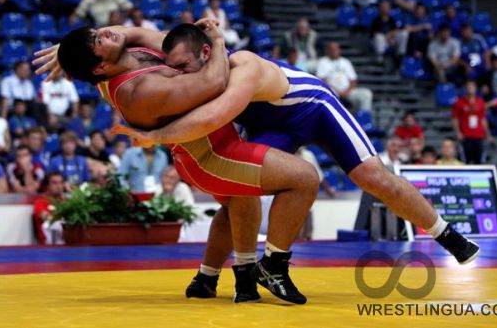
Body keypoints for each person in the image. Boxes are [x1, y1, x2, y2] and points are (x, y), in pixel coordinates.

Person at [109, 24, 480, 276]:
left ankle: (447, 234)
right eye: (173, 68)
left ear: (207, 52)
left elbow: (210, 119)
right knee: (242, 189)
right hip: (269, 124)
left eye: (184, 67)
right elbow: (137, 34)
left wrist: (155, 137)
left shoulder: (241, 68)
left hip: (313, 108)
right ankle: (243, 269)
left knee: (373, 176)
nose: (179, 76)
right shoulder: (187, 56)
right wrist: (79, 46)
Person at [39, 20, 320, 305]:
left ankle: (209, 279)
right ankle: (272, 268)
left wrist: (70, 48)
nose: (107, 33)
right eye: (98, 41)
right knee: (305, 178)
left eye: (96, 32)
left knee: (240, 199)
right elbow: (215, 82)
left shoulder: (121, 54)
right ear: (99, 68)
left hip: (214, 144)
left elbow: (136, 33)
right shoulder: (137, 92)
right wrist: (218, 41)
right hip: (210, 157)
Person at [316, 41, 373, 112]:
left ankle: (364, 121)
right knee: (330, 94)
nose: (334, 51)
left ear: (339, 50)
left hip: (347, 91)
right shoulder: (322, 62)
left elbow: (353, 80)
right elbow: (322, 80)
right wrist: (338, 91)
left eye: (336, 49)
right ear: (327, 51)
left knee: (366, 94)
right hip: (332, 90)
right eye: (332, 49)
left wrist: (347, 91)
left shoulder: (346, 62)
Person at [451, 80, 492, 164]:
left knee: (479, 160)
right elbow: (455, 119)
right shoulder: (459, 102)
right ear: (466, 89)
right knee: (466, 160)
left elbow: (483, 119)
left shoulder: (480, 102)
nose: (470, 89)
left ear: (476, 88)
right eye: (468, 87)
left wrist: (488, 134)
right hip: (466, 135)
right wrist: (458, 133)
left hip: (478, 135)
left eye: (472, 87)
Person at [33, 171, 66, 244]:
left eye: (61, 182)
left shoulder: (67, 201)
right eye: (54, 183)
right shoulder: (40, 202)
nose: (59, 186)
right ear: (47, 185)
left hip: (67, 242)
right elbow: (45, 217)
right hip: (48, 245)